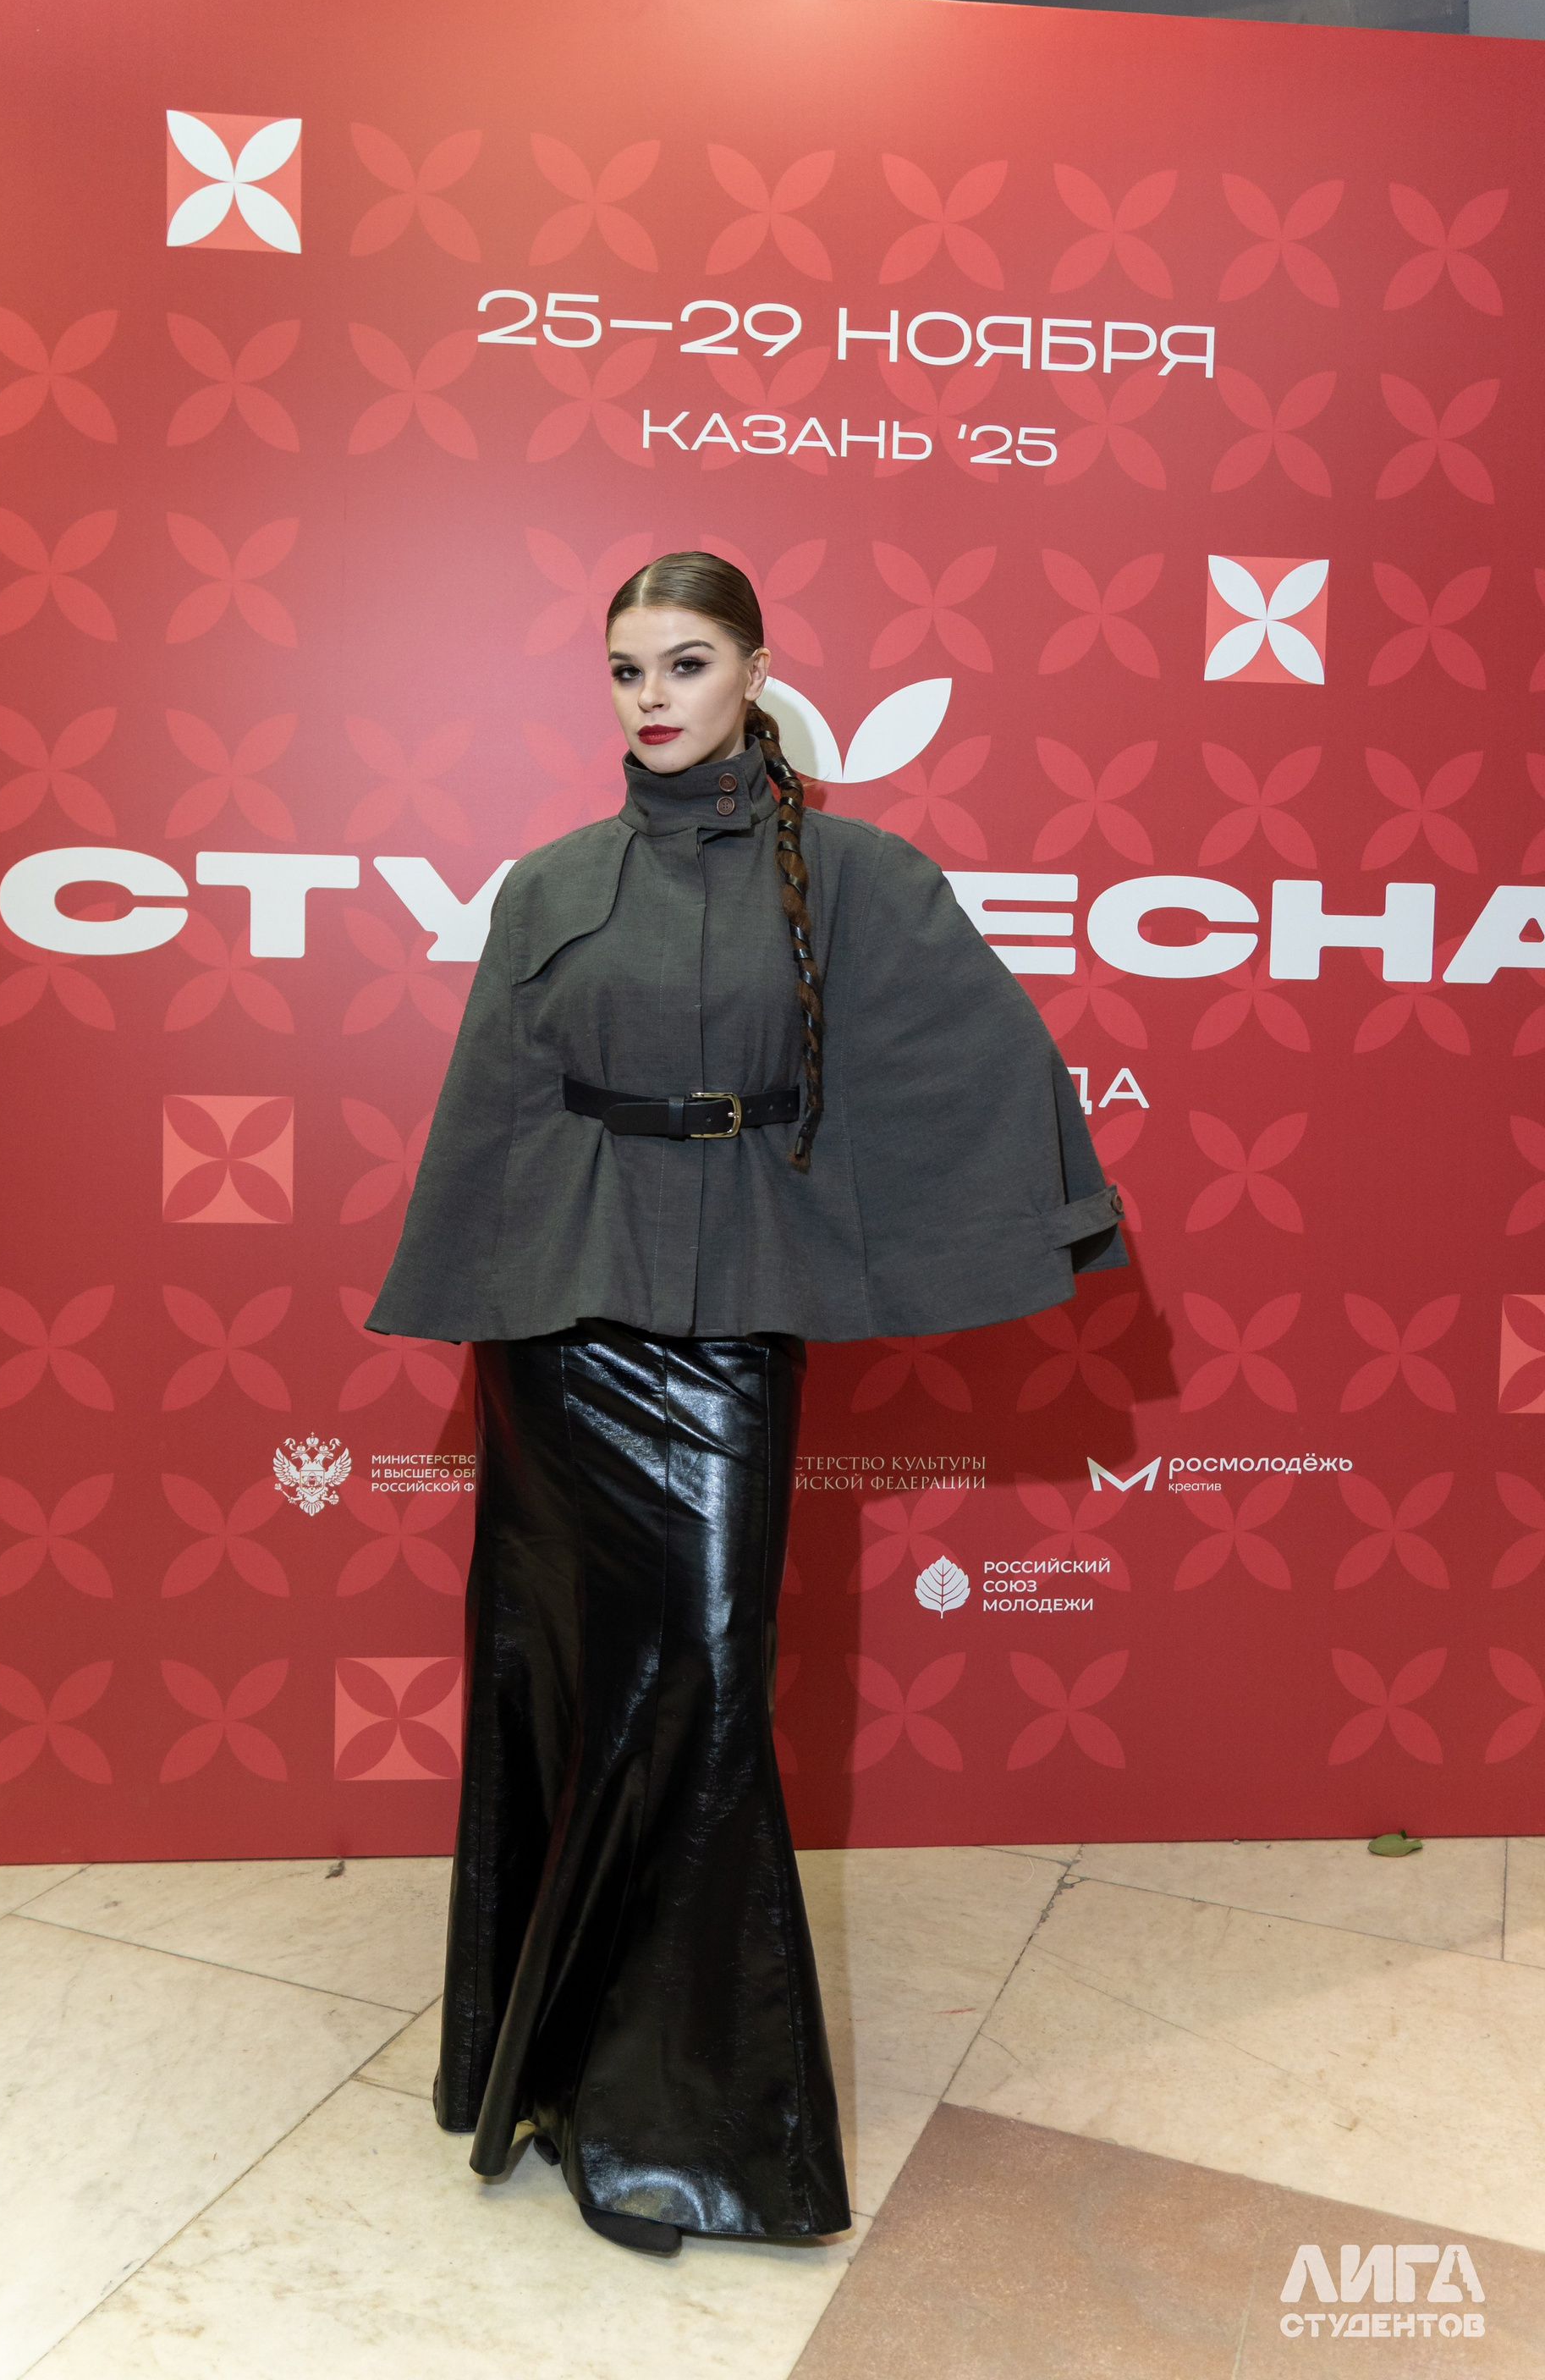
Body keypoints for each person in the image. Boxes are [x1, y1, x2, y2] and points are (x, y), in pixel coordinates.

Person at [366, 550, 1126, 2256]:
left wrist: (1047, 1219)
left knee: (699, 1690)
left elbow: (972, 1062)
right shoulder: (551, 885)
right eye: (626, 669)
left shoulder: (856, 878)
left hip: (728, 1334)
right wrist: (464, 1300)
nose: (653, 698)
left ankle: (672, 2121)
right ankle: (573, 2084)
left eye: (687, 662)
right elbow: (492, 1112)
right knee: (578, 1687)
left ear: (756, 672)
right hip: (563, 1334)